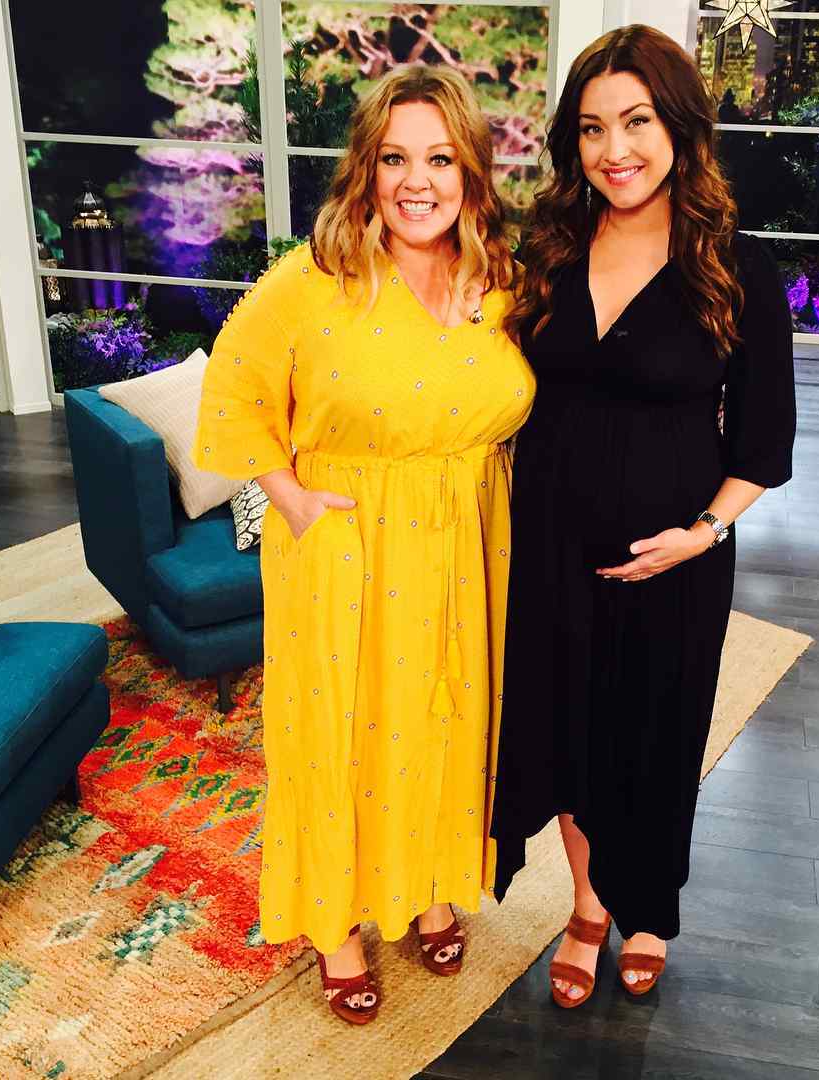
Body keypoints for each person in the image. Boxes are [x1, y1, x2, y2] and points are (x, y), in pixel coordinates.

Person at [192, 65, 535, 1025]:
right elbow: (233, 388)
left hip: (466, 538)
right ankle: (337, 923)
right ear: (365, 170)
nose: (417, 182)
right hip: (345, 543)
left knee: (447, 717)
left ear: (471, 172)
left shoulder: (503, 282)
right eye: (395, 159)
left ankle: (431, 883)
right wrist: (289, 498)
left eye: (441, 159)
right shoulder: (311, 281)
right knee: (339, 733)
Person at [489, 25, 796, 1007]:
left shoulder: (738, 268)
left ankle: (648, 909)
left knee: (654, 746)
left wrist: (702, 534)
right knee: (570, 739)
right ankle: (587, 907)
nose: (613, 150)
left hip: (676, 565)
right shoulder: (545, 252)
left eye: (636, 122)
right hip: (549, 551)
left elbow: (764, 445)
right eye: (591, 129)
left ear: (680, 128)